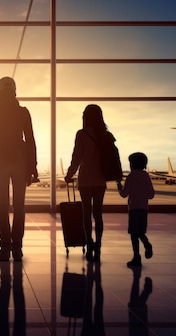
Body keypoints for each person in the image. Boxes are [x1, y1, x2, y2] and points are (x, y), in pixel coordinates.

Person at [0, 76, 38, 262]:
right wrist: (33, 165)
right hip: (19, 158)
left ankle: (5, 248)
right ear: (14, 91)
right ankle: (17, 249)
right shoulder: (23, 112)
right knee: (19, 205)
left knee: (2, 204)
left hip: (0, 157)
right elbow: (30, 139)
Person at [64, 104, 116, 262]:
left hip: (86, 179)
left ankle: (88, 242)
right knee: (98, 214)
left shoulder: (82, 134)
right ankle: (98, 244)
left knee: (86, 214)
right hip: (100, 180)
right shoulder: (106, 135)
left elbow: (76, 157)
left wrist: (69, 174)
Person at [118, 152, 155, 267]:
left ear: (132, 164)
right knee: (141, 232)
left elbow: (124, 194)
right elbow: (151, 194)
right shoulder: (146, 177)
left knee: (134, 234)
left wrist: (119, 186)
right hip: (144, 209)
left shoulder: (131, 177)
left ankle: (136, 256)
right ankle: (146, 243)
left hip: (133, 208)